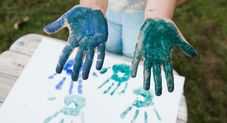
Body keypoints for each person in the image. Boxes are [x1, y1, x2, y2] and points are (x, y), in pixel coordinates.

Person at [43, 0, 197, 96]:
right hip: (106, 11)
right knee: (108, 50)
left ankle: (129, 92)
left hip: (141, 12)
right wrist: (92, 5)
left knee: (135, 55)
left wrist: (158, 15)